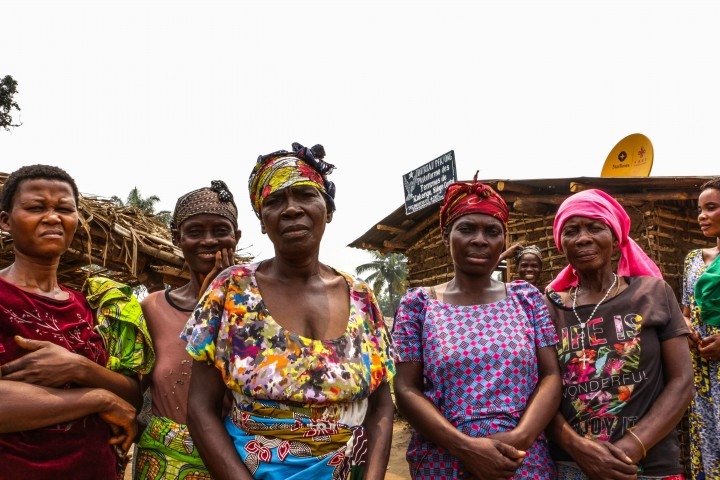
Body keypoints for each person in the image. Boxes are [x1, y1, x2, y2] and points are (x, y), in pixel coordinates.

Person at [182, 143, 396, 480]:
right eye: (275, 201)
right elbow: (200, 409)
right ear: (262, 222)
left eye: (305, 195)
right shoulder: (231, 291)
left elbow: (382, 405)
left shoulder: (362, 298)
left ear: (327, 210)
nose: (291, 209)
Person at [392, 175, 561, 480]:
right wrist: (465, 448)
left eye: (492, 231)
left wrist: (519, 439)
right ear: (446, 237)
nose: (480, 240)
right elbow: (405, 388)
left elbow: (551, 376)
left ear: (504, 241)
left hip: (521, 460)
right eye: (467, 229)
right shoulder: (418, 305)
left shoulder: (526, 298)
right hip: (445, 459)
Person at [0, 164, 142, 479]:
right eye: (36, 207)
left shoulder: (92, 304)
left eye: (65, 208)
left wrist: (78, 367)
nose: (52, 217)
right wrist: (97, 398)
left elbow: (133, 396)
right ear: (6, 222)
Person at [544, 188, 694, 479]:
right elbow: (543, 390)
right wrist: (578, 448)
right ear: (561, 244)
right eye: (571, 230)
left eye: (595, 227)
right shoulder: (549, 308)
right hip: (573, 466)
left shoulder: (653, 294)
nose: (583, 237)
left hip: (649, 465)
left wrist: (632, 447)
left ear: (615, 239)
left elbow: (682, 381)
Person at [133, 180, 242, 479]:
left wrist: (221, 297)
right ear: (176, 238)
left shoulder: (257, 308)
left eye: (220, 231)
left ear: (237, 237)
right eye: (195, 232)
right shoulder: (153, 308)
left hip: (236, 457)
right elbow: (134, 388)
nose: (209, 241)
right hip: (162, 459)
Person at [682, 177, 720, 479]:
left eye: (712, 208)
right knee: (706, 437)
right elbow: (685, 311)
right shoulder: (694, 259)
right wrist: (688, 331)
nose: (702, 215)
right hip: (701, 368)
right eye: (700, 209)